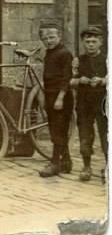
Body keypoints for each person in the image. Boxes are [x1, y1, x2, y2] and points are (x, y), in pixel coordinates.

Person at [38, 20, 74, 177]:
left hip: (62, 96)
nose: (48, 41)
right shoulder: (49, 53)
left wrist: (60, 98)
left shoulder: (65, 53)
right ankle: (66, 161)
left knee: (58, 130)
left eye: (52, 37)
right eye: (45, 39)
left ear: (60, 36)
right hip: (50, 94)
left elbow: (66, 78)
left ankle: (55, 163)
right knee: (56, 128)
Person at [72, 25, 107, 182]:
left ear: (101, 42)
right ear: (83, 42)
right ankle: (86, 167)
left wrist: (103, 80)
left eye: (94, 41)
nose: (90, 45)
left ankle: (108, 167)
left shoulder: (107, 59)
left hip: (103, 104)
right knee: (85, 135)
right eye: (87, 41)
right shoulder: (78, 60)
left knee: (106, 135)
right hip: (84, 103)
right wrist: (80, 80)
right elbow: (70, 81)